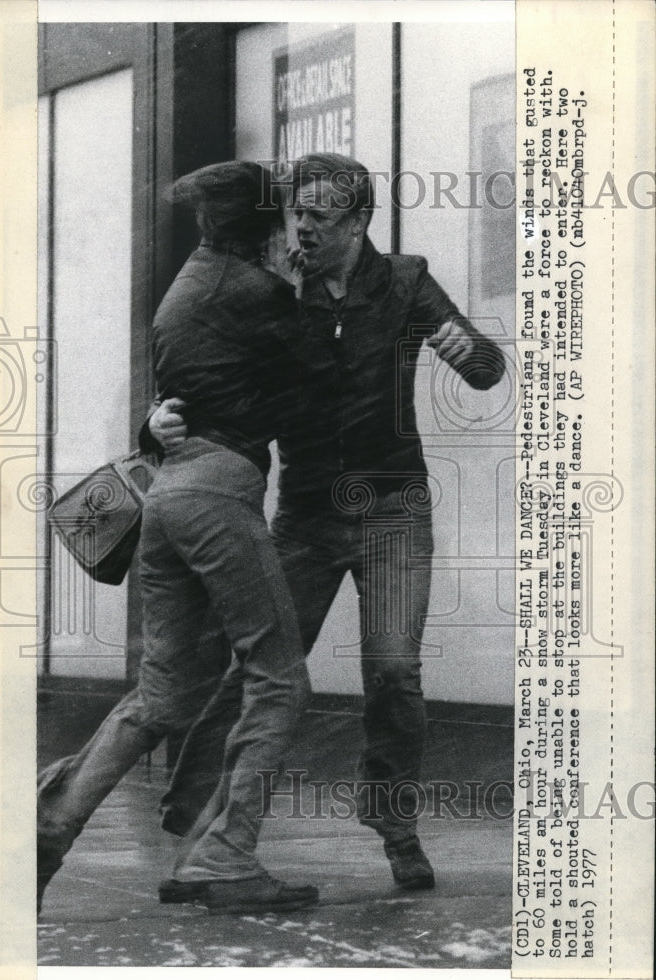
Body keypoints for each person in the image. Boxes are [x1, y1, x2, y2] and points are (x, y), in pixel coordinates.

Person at [153, 153, 507, 890]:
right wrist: (153, 424)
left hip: (393, 512)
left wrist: (465, 348)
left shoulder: (406, 281)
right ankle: (194, 809)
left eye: (318, 214)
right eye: (297, 212)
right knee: (258, 664)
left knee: (395, 674)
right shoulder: (276, 290)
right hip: (306, 514)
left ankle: (395, 826)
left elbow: (486, 369)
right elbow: (197, 374)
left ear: (359, 220)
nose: (301, 227)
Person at [38, 160, 318, 915]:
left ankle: (49, 825)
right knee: (281, 679)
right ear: (264, 228)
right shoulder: (258, 292)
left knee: (160, 694)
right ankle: (226, 858)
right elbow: (315, 384)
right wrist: (304, 295)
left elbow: (182, 396)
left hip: (168, 497)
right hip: (220, 492)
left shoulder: (185, 288)